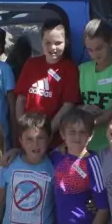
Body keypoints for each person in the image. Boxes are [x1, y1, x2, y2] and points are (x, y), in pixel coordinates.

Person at [47, 107, 110, 224]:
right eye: (72, 132)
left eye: (83, 132)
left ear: (90, 136)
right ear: (62, 134)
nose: (77, 137)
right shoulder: (55, 157)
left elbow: (103, 209)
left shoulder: (93, 162)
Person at [13, 18, 82, 147]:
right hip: (27, 140)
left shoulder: (70, 69)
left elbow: (68, 106)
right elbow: (21, 99)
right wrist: (24, 130)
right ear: (41, 42)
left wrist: (46, 133)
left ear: (66, 42)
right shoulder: (31, 64)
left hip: (52, 141)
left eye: (58, 43)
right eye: (48, 43)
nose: (52, 47)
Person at [79, 19, 112, 153]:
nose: (95, 54)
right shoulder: (82, 69)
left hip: (108, 144)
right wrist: (84, 109)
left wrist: (89, 123)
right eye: (90, 50)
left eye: (99, 48)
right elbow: (75, 104)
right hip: (85, 143)